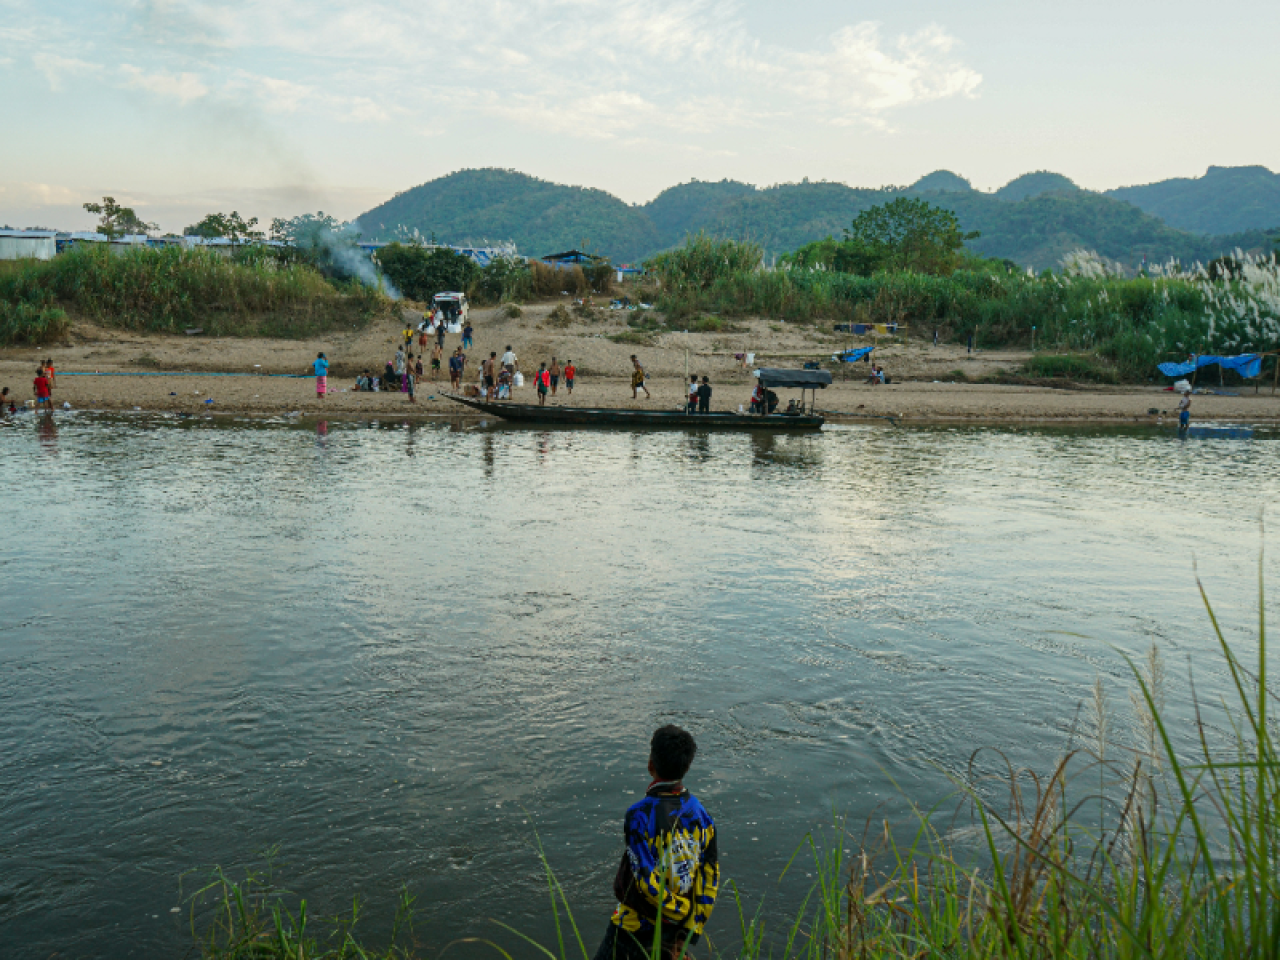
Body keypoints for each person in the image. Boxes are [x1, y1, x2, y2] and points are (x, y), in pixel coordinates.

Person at [592, 725, 718, 960]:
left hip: (634, 926)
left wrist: (677, 910)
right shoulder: (703, 817)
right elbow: (708, 880)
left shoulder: (639, 815)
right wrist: (688, 932)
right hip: (676, 931)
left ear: (651, 765)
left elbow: (645, 879)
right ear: (687, 766)